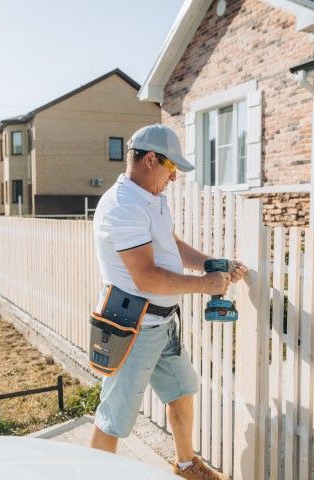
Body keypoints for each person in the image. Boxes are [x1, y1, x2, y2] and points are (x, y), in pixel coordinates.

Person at [89, 124, 248, 480]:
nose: (174, 177)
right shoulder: (122, 207)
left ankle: (186, 464)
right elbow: (146, 276)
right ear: (150, 160)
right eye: (171, 167)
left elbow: (171, 246)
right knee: (113, 418)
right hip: (132, 327)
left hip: (164, 324)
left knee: (182, 391)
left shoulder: (153, 198)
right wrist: (206, 285)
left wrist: (211, 263)